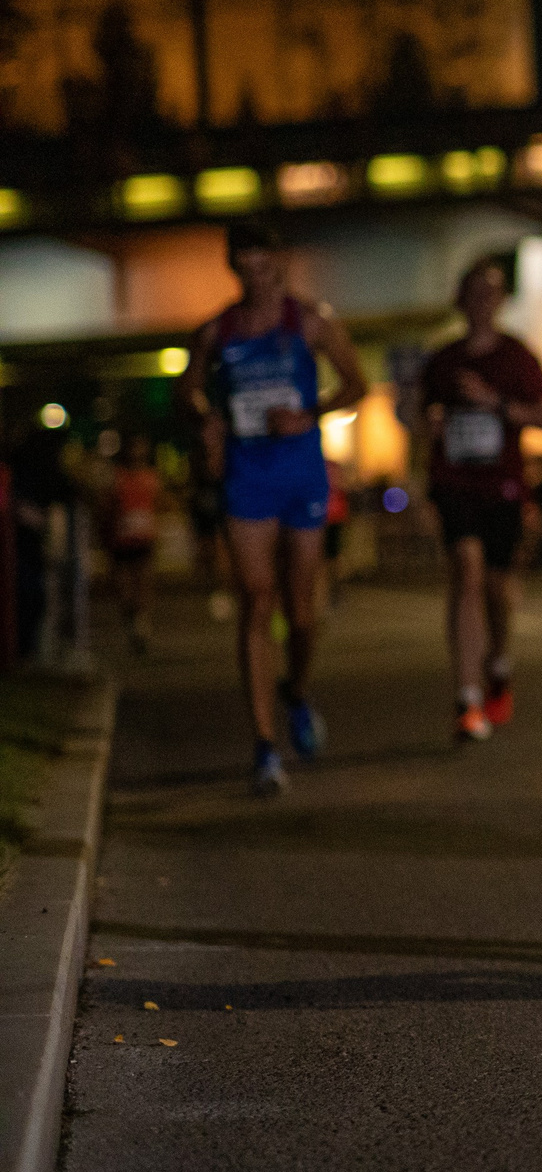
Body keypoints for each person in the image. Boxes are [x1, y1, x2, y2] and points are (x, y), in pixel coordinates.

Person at [179, 223, 369, 795]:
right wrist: (205, 416)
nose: (258, 281)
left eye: (267, 270)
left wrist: (311, 415)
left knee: (301, 612)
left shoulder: (307, 322)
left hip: (302, 474)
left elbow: (357, 383)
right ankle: (264, 746)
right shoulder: (217, 331)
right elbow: (186, 389)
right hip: (247, 478)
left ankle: (296, 692)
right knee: (256, 602)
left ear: (279, 268)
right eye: (247, 270)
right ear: (234, 270)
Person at [422, 255, 542, 744]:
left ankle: (499, 661)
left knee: (498, 588)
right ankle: (467, 697)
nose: (483, 302)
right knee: (466, 569)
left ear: (502, 301)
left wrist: (495, 404)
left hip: (503, 485)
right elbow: (419, 420)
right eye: (474, 292)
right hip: (454, 483)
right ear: (460, 301)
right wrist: (430, 427)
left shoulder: (517, 357)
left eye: (492, 292)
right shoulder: (442, 361)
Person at [104, 434, 164, 656]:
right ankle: (131, 621)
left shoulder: (152, 476)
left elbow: (158, 504)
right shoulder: (116, 476)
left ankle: (142, 626)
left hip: (144, 539)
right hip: (120, 541)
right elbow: (107, 506)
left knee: (144, 586)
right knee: (123, 589)